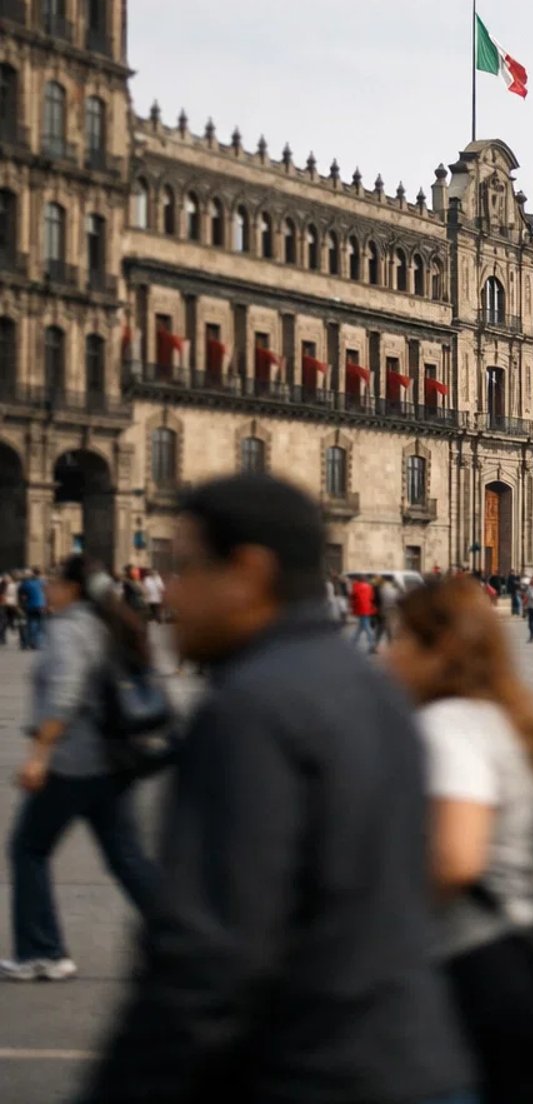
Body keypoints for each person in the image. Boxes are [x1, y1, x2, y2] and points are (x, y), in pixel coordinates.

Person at [79, 473, 471, 1104]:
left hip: (311, 1072)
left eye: (186, 568)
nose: (170, 592)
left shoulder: (251, 709)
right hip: (409, 1055)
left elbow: (208, 951)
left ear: (250, 572)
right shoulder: (373, 688)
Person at [386, 575, 533, 1104]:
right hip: (524, 963)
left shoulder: (449, 725)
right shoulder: (507, 719)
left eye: (402, 638)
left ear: (440, 649)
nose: (389, 654)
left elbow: (455, 859)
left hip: (473, 975)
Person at [4, 557, 164, 982]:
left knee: (28, 849)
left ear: (73, 588)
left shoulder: (70, 629)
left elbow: (65, 692)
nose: (49, 588)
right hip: (109, 762)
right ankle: (189, 941)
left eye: (56, 581)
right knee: (126, 858)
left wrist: (40, 753)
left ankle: (43, 951)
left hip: (74, 764)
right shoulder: (104, 624)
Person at [350, 574, 380, 652]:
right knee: (365, 626)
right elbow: (372, 598)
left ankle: (353, 643)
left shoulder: (356, 586)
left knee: (363, 626)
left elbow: (353, 596)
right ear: (365, 580)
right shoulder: (369, 587)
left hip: (360, 608)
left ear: (358, 580)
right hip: (367, 608)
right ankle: (371, 645)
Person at [18, 566, 46, 651]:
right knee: (39, 625)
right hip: (41, 605)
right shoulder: (42, 582)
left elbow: (21, 593)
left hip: (30, 605)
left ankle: (27, 643)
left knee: (30, 624)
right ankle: (35, 643)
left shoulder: (26, 583)